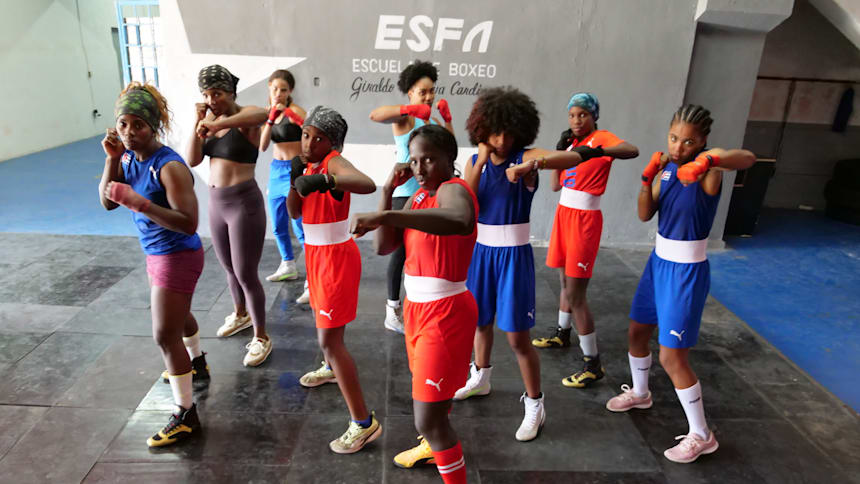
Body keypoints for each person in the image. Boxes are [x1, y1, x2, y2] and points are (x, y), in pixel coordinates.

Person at [605, 104, 755, 463]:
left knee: (672, 356)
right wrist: (646, 180)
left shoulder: (710, 166)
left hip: (686, 271)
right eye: (674, 138)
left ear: (701, 141)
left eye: (688, 142)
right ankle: (641, 393)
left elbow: (746, 157)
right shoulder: (668, 169)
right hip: (658, 264)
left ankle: (702, 434)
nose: (678, 147)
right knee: (637, 332)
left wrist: (706, 162)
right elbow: (645, 213)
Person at [454, 86, 605, 441]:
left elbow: (572, 159)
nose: (502, 139)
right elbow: (468, 198)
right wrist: (479, 152)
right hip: (481, 253)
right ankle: (481, 376)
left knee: (518, 339)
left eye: (508, 132)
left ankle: (535, 403)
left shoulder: (525, 156)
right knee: (480, 323)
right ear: (482, 129)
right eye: (494, 132)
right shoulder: (478, 160)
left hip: (513, 257)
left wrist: (531, 165)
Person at [351, 124, 475, 484]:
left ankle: (443, 455)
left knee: (427, 419)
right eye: (415, 160)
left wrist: (387, 216)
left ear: (450, 160)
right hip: (417, 310)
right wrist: (387, 193)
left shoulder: (454, 189)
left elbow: (460, 219)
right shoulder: (418, 197)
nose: (420, 169)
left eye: (430, 160)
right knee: (433, 402)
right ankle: (433, 447)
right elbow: (383, 247)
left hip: (446, 312)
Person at [98, 82, 206, 447]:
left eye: (138, 125)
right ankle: (197, 361)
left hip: (178, 254)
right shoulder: (127, 157)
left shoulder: (169, 166)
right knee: (179, 317)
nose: (129, 133)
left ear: (153, 125)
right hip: (157, 253)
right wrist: (111, 159)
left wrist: (139, 203)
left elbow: (189, 222)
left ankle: (186, 414)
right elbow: (107, 202)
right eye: (123, 124)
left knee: (164, 334)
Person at [531, 92, 640, 390]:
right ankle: (562, 333)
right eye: (572, 115)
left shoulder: (602, 137)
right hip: (564, 215)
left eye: (583, 115)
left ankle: (593, 363)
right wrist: (558, 155)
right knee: (564, 283)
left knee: (577, 294)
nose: (577, 120)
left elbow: (632, 150)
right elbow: (555, 186)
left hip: (585, 220)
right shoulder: (571, 143)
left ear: (593, 116)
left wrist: (600, 150)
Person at [289, 106, 382, 454]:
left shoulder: (331, 163)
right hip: (316, 255)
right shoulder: (309, 164)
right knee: (326, 333)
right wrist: (295, 181)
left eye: (319, 138)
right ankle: (330, 368)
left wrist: (327, 179)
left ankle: (363, 423)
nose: (310, 142)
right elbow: (294, 212)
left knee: (330, 340)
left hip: (334, 258)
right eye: (306, 134)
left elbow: (366, 183)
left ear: (333, 144)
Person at [187, 65, 272, 367]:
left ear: (231, 92)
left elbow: (262, 115)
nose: (212, 100)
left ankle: (261, 336)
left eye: (218, 93)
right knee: (228, 268)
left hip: (243, 204)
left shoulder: (245, 116)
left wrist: (221, 122)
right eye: (207, 94)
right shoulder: (208, 119)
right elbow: (193, 158)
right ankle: (241, 313)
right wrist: (199, 123)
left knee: (246, 272)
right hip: (216, 203)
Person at [369, 60, 455, 334]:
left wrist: (448, 120)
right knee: (400, 252)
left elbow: (449, 148)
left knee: (423, 251)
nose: (428, 97)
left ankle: (419, 303)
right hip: (405, 194)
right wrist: (409, 109)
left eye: (431, 91)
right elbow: (376, 114)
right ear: (410, 93)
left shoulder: (431, 120)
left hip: (428, 194)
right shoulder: (405, 118)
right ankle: (392, 309)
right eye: (422, 92)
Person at [259, 69, 308, 283]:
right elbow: (262, 146)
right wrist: (269, 120)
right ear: (269, 87)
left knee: (299, 224)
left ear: (290, 91)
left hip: (294, 169)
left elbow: (310, 131)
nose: (278, 93)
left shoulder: (296, 110)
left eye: (283, 90)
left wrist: (289, 115)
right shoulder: (267, 112)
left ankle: (312, 274)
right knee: (278, 224)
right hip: (276, 170)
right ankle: (288, 265)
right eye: (275, 89)